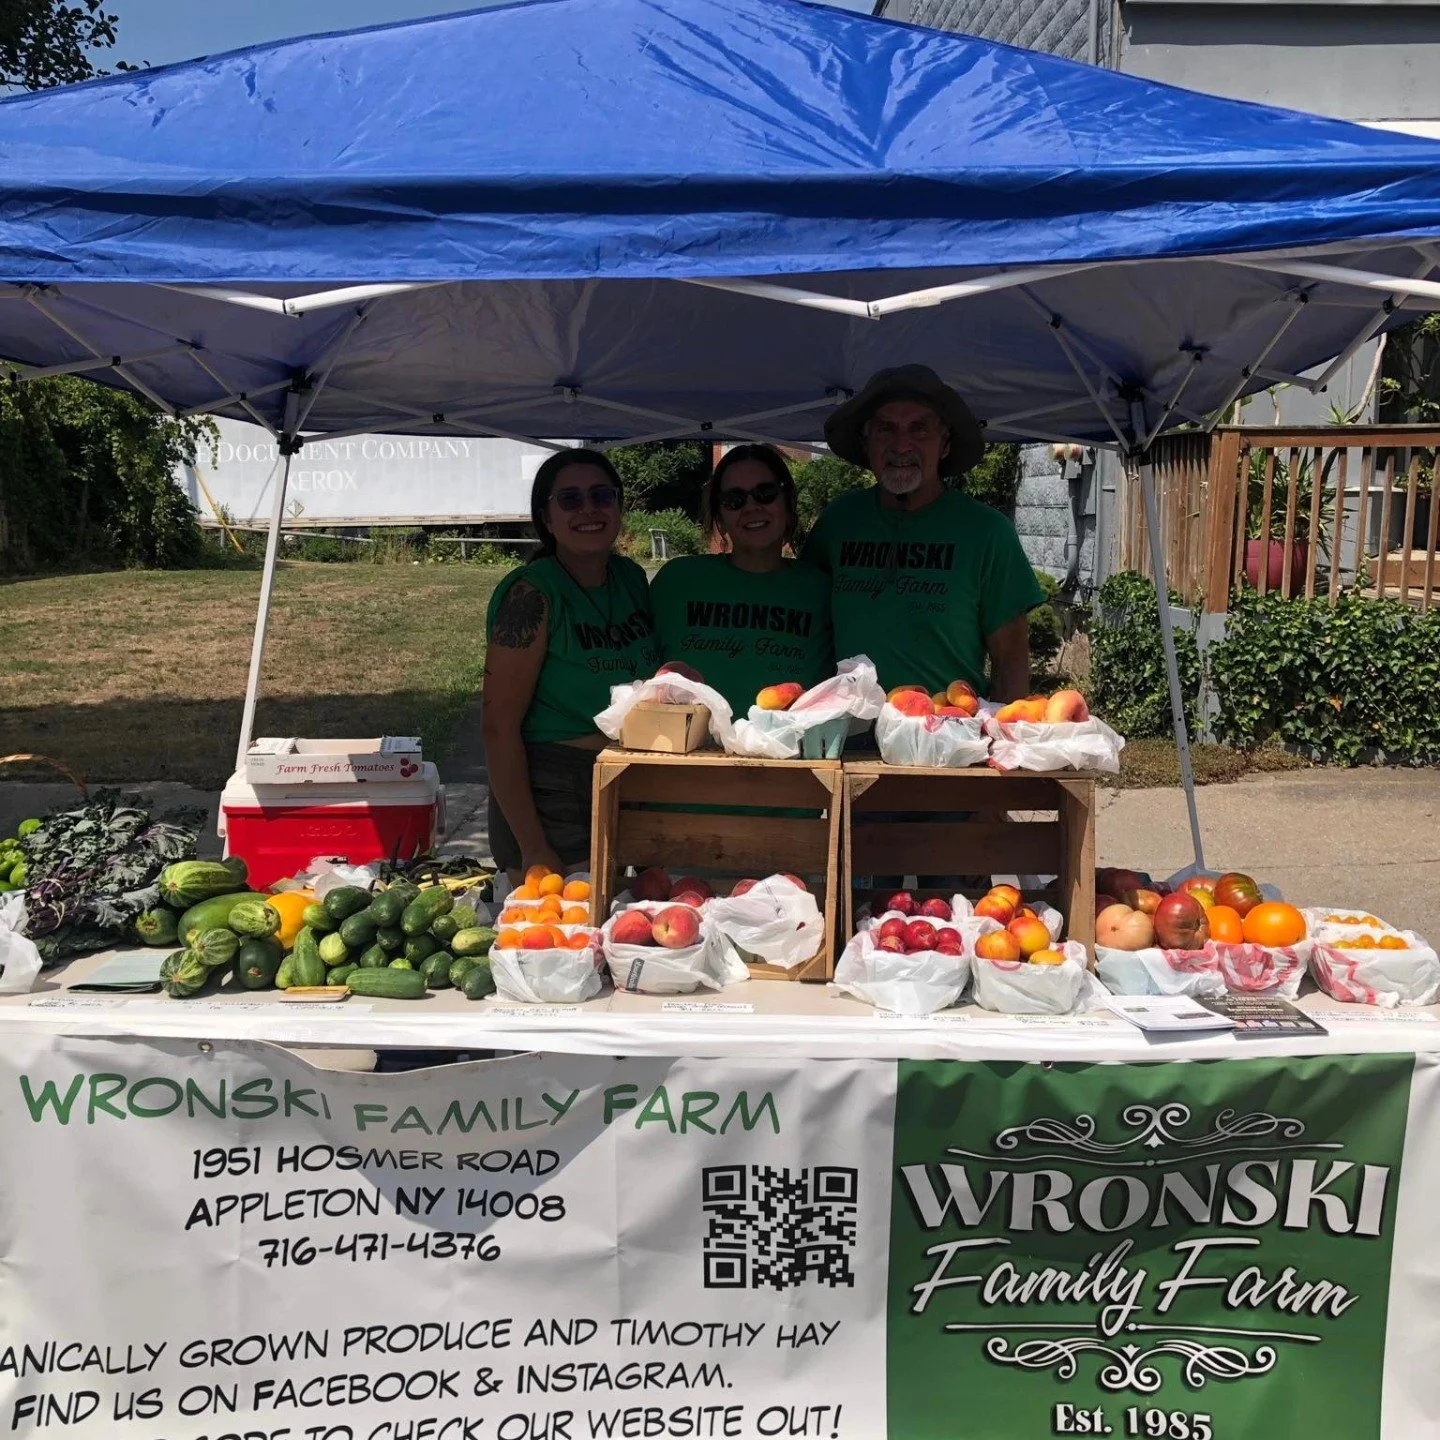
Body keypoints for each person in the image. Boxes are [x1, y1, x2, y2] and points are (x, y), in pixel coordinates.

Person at [804, 364, 1045, 701]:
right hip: (847, 734)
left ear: (944, 443)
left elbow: (1010, 661)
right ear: (866, 440)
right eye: (886, 429)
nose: (901, 445)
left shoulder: (987, 532)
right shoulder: (837, 522)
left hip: (947, 734)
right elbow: (807, 632)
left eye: (919, 429)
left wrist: (1007, 741)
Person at [482, 448, 658, 882]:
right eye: (570, 499)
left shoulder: (631, 578)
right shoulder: (532, 595)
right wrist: (533, 845)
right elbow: (497, 728)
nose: (589, 510)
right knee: (567, 936)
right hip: (552, 790)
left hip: (627, 777)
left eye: (602, 495)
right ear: (546, 515)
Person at [649, 445, 833, 718]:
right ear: (720, 518)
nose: (751, 507)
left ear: (787, 502)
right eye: (734, 500)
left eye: (765, 493)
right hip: (690, 753)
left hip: (790, 754)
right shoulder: (677, 581)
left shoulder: (821, 589)